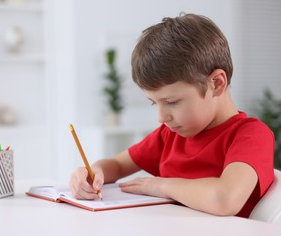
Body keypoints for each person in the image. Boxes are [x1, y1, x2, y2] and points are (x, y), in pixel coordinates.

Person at [69, 13, 275, 218]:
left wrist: (162, 185)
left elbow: (224, 199)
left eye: (171, 102)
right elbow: (118, 165)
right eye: (154, 103)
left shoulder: (250, 135)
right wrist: (93, 172)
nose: (161, 117)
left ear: (216, 83)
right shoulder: (169, 135)